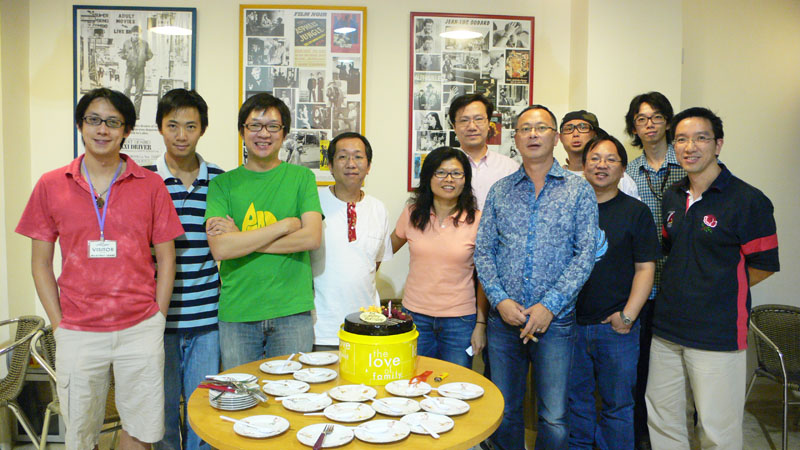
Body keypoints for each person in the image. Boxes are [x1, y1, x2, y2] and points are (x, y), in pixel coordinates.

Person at [16, 88, 184, 449]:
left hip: (141, 326)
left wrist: (159, 316)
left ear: (126, 130)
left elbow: (166, 257)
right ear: (80, 125)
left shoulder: (150, 184)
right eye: (94, 120)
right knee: (81, 432)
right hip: (78, 330)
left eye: (113, 122)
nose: (102, 130)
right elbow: (40, 263)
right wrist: (59, 324)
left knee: (140, 428)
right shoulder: (51, 185)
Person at [646, 107, 779, 449]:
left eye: (700, 138)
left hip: (717, 334)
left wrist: (714, 290)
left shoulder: (748, 200)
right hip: (667, 330)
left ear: (718, 144)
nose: (690, 146)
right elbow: (673, 250)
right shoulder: (673, 196)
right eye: (681, 139)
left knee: (716, 430)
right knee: (662, 420)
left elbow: (763, 265)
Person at [474, 104, 598, 450]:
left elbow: (585, 254)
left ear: (555, 137)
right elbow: (483, 252)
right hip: (504, 321)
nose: (532, 134)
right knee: (505, 410)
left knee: (554, 416)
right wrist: (500, 300)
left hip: (555, 323)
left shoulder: (578, 190)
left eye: (541, 128)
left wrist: (549, 306)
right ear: (515, 138)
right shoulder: (500, 191)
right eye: (525, 128)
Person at [205, 93, 322, 370]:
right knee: (242, 399)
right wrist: (283, 226)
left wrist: (241, 237)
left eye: (273, 126)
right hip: (238, 312)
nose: (263, 134)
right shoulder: (222, 184)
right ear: (242, 131)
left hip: (292, 312)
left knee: (293, 398)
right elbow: (221, 248)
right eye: (254, 125)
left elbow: (312, 238)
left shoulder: (302, 178)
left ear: (284, 134)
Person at [568, 135, 659, 450]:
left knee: (618, 406)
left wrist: (628, 316)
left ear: (623, 169)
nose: (601, 165)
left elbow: (646, 269)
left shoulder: (636, 212)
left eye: (610, 159)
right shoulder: (569, 209)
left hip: (616, 328)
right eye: (594, 158)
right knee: (574, 404)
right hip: (570, 327)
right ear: (584, 165)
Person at [147, 89, 224, 450]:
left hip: (208, 319)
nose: (181, 135)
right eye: (172, 125)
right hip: (156, 320)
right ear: (160, 128)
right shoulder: (144, 181)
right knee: (158, 414)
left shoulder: (221, 181)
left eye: (190, 126)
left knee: (203, 412)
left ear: (202, 130)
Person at [623, 91, 686, 449]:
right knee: (642, 367)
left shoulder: (690, 162)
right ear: (634, 126)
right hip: (645, 287)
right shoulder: (628, 171)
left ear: (667, 121)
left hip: (683, 286)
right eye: (641, 119)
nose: (649, 125)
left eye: (656, 117)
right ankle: (641, 437)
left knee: (683, 370)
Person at [392, 146, 487, 368]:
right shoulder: (412, 214)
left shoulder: (478, 220)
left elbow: (485, 278)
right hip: (415, 318)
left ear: (466, 179)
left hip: (460, 321)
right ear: (429, 177)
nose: (449, 179)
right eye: (441, 172)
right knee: (415, 384)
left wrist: (480, 324)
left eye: (456, 173)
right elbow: (384, 250)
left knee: (455, 390)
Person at [310, 133, 392, 350]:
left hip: (366, 329)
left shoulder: (379, 209)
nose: (351, 164)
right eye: (342, 157)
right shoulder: (313, 202)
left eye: (358, 157)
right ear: (330, 165)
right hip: (320, 330)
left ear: (369, 166)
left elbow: (374, 264)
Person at [448, 93, 519, 210]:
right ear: (454, 127)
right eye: (464, 120)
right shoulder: (442, 167)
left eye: (478, 119)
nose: (472, 127)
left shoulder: (510, 168)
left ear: (489, 123)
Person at [559, 109, 639, 198]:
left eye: (583, 127)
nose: (575, 134)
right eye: (568, 129)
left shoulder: (619, 178)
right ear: (560, 137)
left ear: (595, 135)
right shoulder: (555, 179)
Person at [119, 25, 153, 118]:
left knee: (139, 92)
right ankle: (126, 112)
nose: (135, 36)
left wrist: (143, 58)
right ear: (131, 34)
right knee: (126, 89)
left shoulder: (145, 44)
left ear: (140, 35)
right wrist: (126, 56)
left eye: (137, 34)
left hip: (140, 71)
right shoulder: (126, 43)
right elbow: (121, 53)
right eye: (134, 34)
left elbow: (150, 54)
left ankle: (136, 114)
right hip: (129, 70)